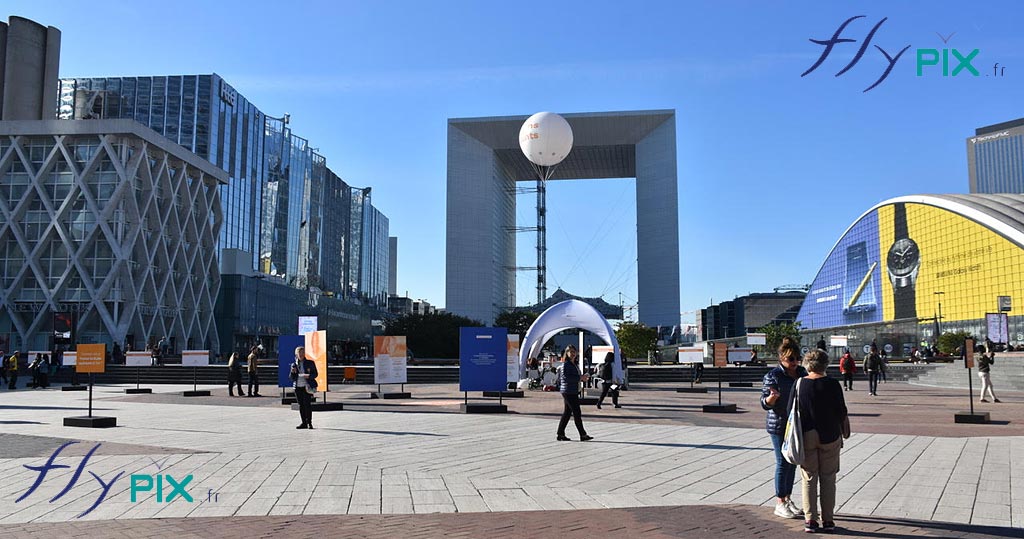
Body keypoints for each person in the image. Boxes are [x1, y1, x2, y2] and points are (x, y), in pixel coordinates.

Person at [794, 349, 849, 533]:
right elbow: (842, 411)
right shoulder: (833, 384)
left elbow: (791, 411)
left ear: (807, 364)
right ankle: (828, 520)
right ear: (826, 364)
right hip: (830, 435)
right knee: (828, 478)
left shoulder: (800, 383)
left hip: (807, 435)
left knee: (809, 478)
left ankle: (810, 520)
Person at [760, 336, 807, 520]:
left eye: (796, 358)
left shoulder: (803, 372)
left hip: (797, 423)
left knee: (792, 461)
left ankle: (787, 498)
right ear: (781, 358)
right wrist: (772, 398)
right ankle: (780, 502)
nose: (794, 362)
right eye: (790, 359)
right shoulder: (773, 376)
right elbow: (765, 403)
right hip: (779, 425)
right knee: (782, 462)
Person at [556, 344, 593, 442]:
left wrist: (582, 377)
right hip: (568, 391)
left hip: (572, 390)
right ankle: (582, 434)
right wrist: (580, 378)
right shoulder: (566, 364)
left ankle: (560, 433)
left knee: (567, 413)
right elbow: (566, 378)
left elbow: (573, 376)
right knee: (577, 412)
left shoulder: (574, 364)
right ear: (566, 353)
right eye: (570, 352)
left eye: (574, 352)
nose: (573, 354)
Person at [290, 346, 318, 429]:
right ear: (296, 355)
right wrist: (292, 372)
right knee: (301, 405)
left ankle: (309, 422)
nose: (301, 355)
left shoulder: (310, 363)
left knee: (307, 405)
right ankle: (303, 423)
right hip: (298, 387)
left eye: (302, 353)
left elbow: (315, 374)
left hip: (307, 387)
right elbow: (291, 378)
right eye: (299, 353)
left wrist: (308, 376)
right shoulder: (294, 364)